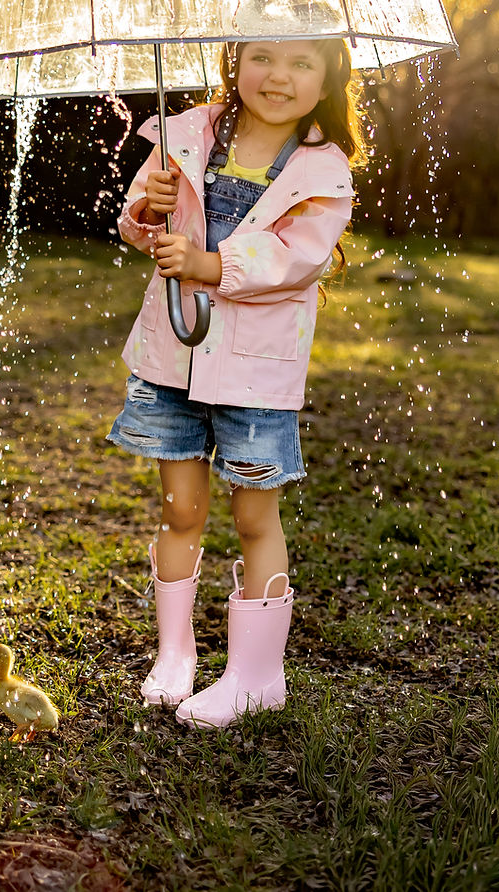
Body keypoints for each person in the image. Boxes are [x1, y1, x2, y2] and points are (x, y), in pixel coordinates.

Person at [108, 36, 365, 729]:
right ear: (235, 60)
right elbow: (140, 228)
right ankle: (175, 652)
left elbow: (295, 259)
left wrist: (208, 262)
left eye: (301, 63)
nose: (277, 76)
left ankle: (256, 676)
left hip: (256, 371)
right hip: (175, 355)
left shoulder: (321, 170)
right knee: (180, 510)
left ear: (329, 78)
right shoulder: (188, 133)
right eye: (263, 56)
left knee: (256, 515)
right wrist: (149, 206)